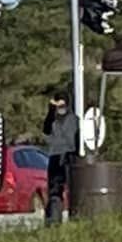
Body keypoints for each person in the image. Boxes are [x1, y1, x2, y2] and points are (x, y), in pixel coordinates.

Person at [44, 95, 81, 223]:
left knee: (75, 189)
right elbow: (46, 130)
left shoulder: (74, 120)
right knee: (55, 192)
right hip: (55, 157)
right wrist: (51, 110)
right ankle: (54, 220)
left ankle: (76, 217)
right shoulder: (52, 120)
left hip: (70, 157)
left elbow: (79, 139)